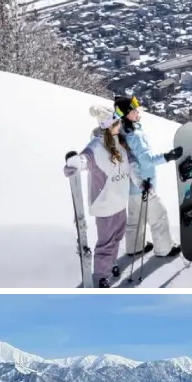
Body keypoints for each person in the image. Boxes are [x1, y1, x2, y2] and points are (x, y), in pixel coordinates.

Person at [64, 106, 150, 291]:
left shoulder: (120, 143)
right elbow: (84, 159)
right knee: (106, 242)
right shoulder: (96, 146)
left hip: (119, 201)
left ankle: (110, 265)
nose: (120, 125)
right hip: (105, 203)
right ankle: (101, 276)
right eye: (117, 122)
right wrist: (74, 164)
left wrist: (142, 183)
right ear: (109, 125)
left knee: (117, 237)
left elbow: (131, 167)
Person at [113, 95, 183, 260]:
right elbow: (147, 161)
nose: (138, 112)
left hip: (132, 187)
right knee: (159, 216)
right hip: (145, 183)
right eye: (134, 110)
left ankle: (134, 247)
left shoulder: (121, 131)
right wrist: (168, 156)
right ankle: (164, 249)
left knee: (135, 218)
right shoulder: (135, 136)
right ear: (126, 115)